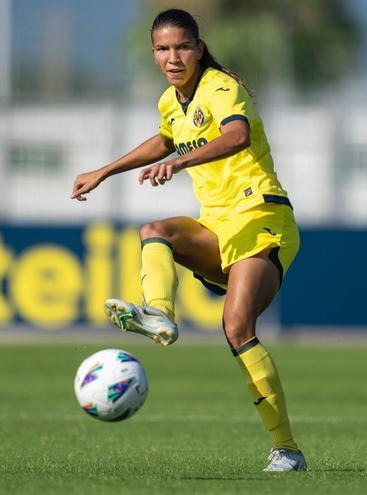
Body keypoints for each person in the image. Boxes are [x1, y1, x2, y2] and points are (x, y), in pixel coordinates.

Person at [70, 8, 306, 472]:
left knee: (237, 329)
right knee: (154, 231)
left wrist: (180, 163)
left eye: (182, 47)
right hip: (218, 225)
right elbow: (164, 139)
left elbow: (236, 136)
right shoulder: (169, 101)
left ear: (199, 49)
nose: (172, 57)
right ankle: (159, 311)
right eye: (162, 48)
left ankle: (288, 451)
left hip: (261, 215)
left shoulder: (220, 87)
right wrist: (104, 171)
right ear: (153, 53)